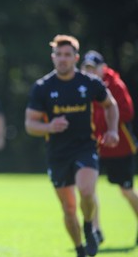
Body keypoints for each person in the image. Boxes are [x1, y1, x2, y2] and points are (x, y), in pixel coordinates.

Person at [24, 35, 119, 257]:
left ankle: (89, 225)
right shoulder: (42, 87)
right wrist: (50, 127)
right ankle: (79, 249)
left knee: (86, 190)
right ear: (53, 57)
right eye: (59, 55)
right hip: (57, 153)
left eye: (67, 55)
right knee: (68, 209)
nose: (63, 59)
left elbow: (110, 105)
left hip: (85, 147)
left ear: (76, 58)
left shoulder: (89, 82)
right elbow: (30, 124)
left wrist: (113, 130)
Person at [81, 50, 138, 245]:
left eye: (93, 67)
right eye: (86, 67)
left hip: (119, 147)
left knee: (126, 190)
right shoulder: (81, 87)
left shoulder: (115, 85)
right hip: (95, 146)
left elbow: (127, 112)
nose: (90, 71)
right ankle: (96, 230)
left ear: (102, 68)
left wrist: (107, 127)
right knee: (89, 188)